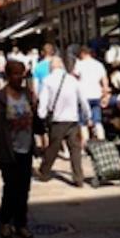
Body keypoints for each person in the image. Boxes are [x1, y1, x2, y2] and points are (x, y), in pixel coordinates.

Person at [0, 60, 35, 238]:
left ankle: (21, 223)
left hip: (26, 147)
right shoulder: (1, 97)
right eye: (16, 74)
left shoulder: (28, 94)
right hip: (7, 149)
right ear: (8, 75)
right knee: (11, 187)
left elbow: (35, 117)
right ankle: (5, 222)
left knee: (24, 188)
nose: (20, 77)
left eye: (22, 73)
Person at [36, 57, 91, 186]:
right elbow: (83, 100)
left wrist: (41, 115)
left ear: (51, 67)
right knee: (75, 150)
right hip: (73, 120)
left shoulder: (47, 81)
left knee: (53, 147)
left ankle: (44, 172)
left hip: (57, 121)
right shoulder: (73, 80)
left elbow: (43, 101)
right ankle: (78, 178)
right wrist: (87, 116)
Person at [73, 45, 109, 141]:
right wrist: (105, 94)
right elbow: (105, 80)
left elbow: (74, 77)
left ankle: (86, 144)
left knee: (83, 122)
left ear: (82, 54)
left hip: (83, 96)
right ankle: (102, 140)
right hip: (96, 94)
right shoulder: (99, 64)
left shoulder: (79, 64)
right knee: (97, 120)